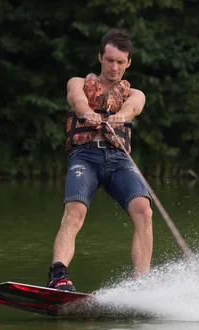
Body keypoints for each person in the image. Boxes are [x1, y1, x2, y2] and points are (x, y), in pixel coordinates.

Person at [47, 29, 153, 291]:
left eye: (120, 62)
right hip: (86, 155)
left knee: (144, 209)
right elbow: (77, 100)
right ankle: (58, 275)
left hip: (118, 158)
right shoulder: (77, 82)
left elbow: (133, 107)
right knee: (75, 211)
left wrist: (121, 115)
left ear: (128, 63)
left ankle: (142, 283)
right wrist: (86, 113)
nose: (114, 66)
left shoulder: (134, 93)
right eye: (109, 60)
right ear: (100, 58)